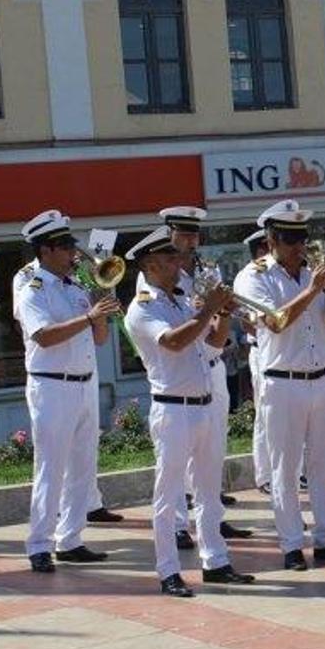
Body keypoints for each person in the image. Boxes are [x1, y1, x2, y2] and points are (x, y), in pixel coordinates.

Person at [124, 226, 254, 597]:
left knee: (209, 490)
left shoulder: (180, 300)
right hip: (172, 411)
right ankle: (168, 571)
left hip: (203, 406)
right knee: (168, 496)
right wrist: (209, 309)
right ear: (150, 264)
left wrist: (223, 315)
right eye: (169, 258)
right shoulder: (143, 307)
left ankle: (216, 561)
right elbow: (175, 342)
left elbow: (212, 345)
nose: (178, 262)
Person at [236, 201, 325, 570]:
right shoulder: (254, 276)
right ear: (272, 240)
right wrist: (312, 290)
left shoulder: (315, 275)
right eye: (289, 240)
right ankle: (292, 544)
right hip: (283, 382)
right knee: (285, 467)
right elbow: (275, 322)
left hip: (323, 378)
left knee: (324, 464)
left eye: (301, 239)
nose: (298, 247)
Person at [16, 212, 118, 573]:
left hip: (84, 383)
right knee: (50, 468)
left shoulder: (76, 288)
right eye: (65, 246)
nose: (73, 252)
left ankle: (71, 538)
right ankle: (39, 544)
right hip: (51, 385)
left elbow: (101, 339)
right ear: (45, 250)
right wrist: (89, 317)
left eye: (72, 245)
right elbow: (43, 335)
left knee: (83, 467)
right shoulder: (33, 290)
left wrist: (101, 306)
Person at [236, 228, 273, 495]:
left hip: (282, 351)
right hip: (262, 351)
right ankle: (264, 475)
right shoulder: (250, 278)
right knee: (265, 413)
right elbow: (249, 324)